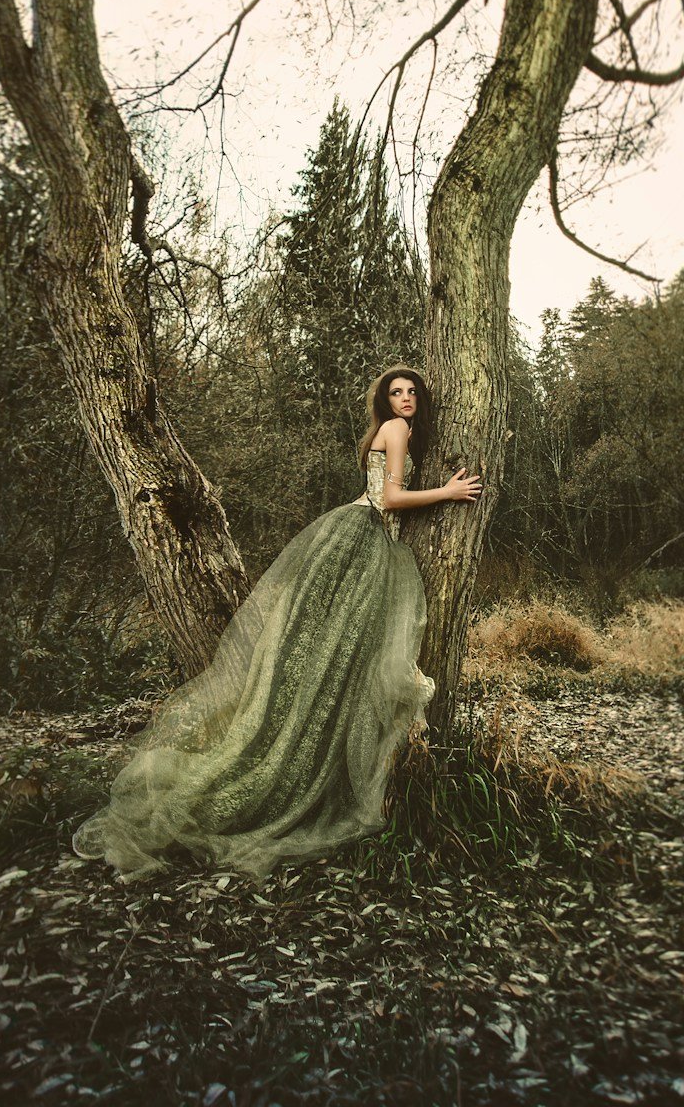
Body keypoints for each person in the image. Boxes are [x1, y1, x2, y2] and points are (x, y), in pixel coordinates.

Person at [71, 366, 482, 882]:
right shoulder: (396, 430)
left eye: (411, 392)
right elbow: (389, 499)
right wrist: (446, 492)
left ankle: (300, 752)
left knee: (332, 653)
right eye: (395, 393)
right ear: (384, 402)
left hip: (361, 538)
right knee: (337, 652)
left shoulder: (395, 431)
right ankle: (284, 772)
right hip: (362, 536)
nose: (405, 400)